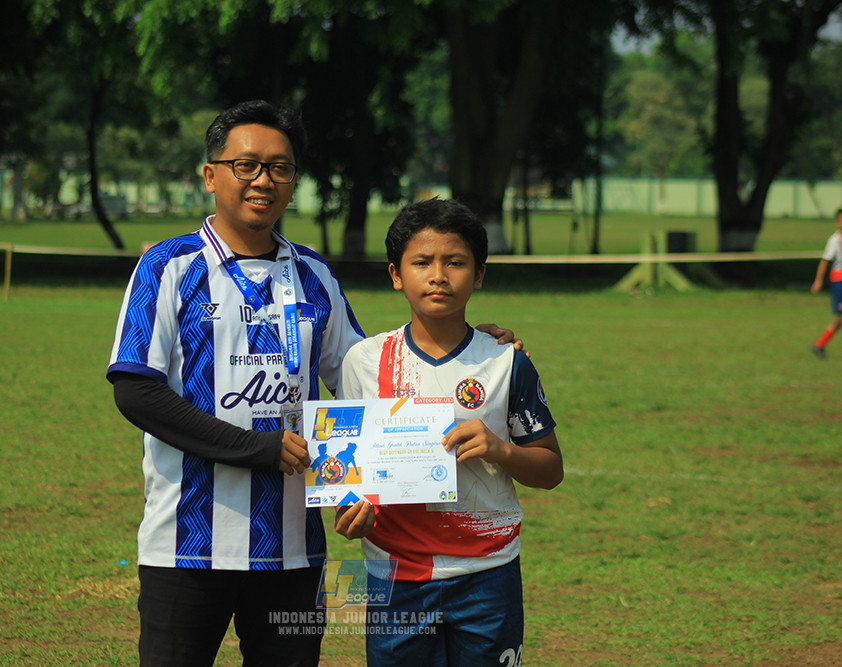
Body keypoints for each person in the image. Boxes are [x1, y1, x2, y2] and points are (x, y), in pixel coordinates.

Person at [106, 101, 522, 667]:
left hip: (292, 552)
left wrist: (469, 342)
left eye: (280, 168)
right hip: (185, 547)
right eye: (246, 165)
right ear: (211, 175)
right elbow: (137, 391)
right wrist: (258, 448)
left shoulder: (312, 275)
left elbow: (371, 381)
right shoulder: (168, 267)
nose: (263, 181)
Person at [334, 197, 564, 666]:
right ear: (396, 274)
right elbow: (343, 470)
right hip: (394, 573)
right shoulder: (364, 362)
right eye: (422, 262)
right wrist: (347, 509)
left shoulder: (505, 361)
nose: (439, 275)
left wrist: (501, 450)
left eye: (455, 262)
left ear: (479, 274)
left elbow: (550, 469)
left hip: (487, 571)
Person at [810, 206, 842, 359]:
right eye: (841, 220)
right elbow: (825, 261)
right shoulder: (834, 241)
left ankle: (819, 344)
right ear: (837, 222)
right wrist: (818, 281)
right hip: (839, 281)